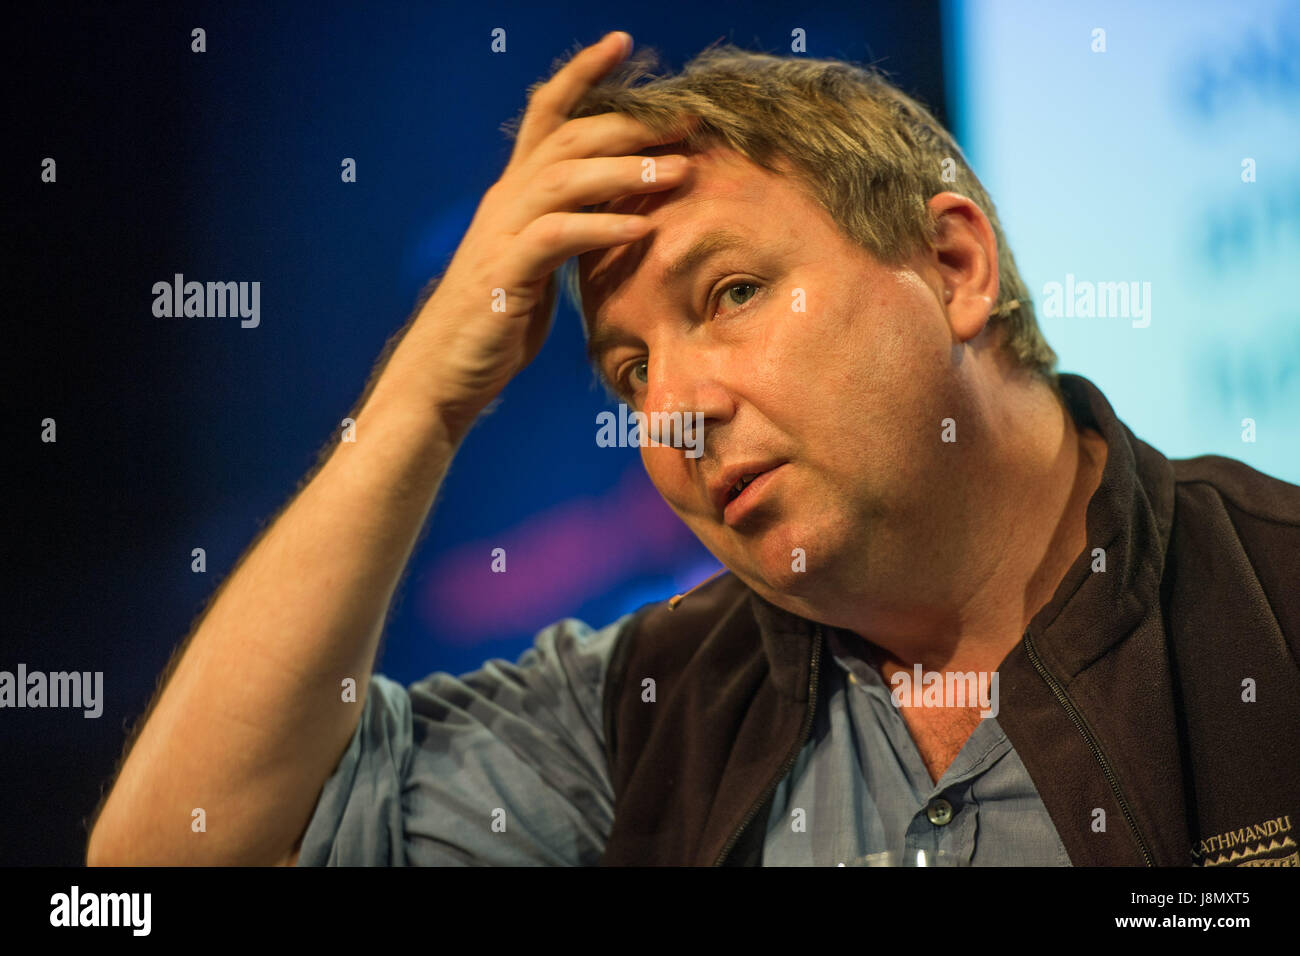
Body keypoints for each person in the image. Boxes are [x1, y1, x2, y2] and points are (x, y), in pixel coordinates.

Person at [87, 31, 1300, 868]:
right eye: (629, 372)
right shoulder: (643, 710)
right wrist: (419, 402)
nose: (670, 406)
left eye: (728, 292)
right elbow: (169, 852)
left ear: (952, 264)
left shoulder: (1273, 601)